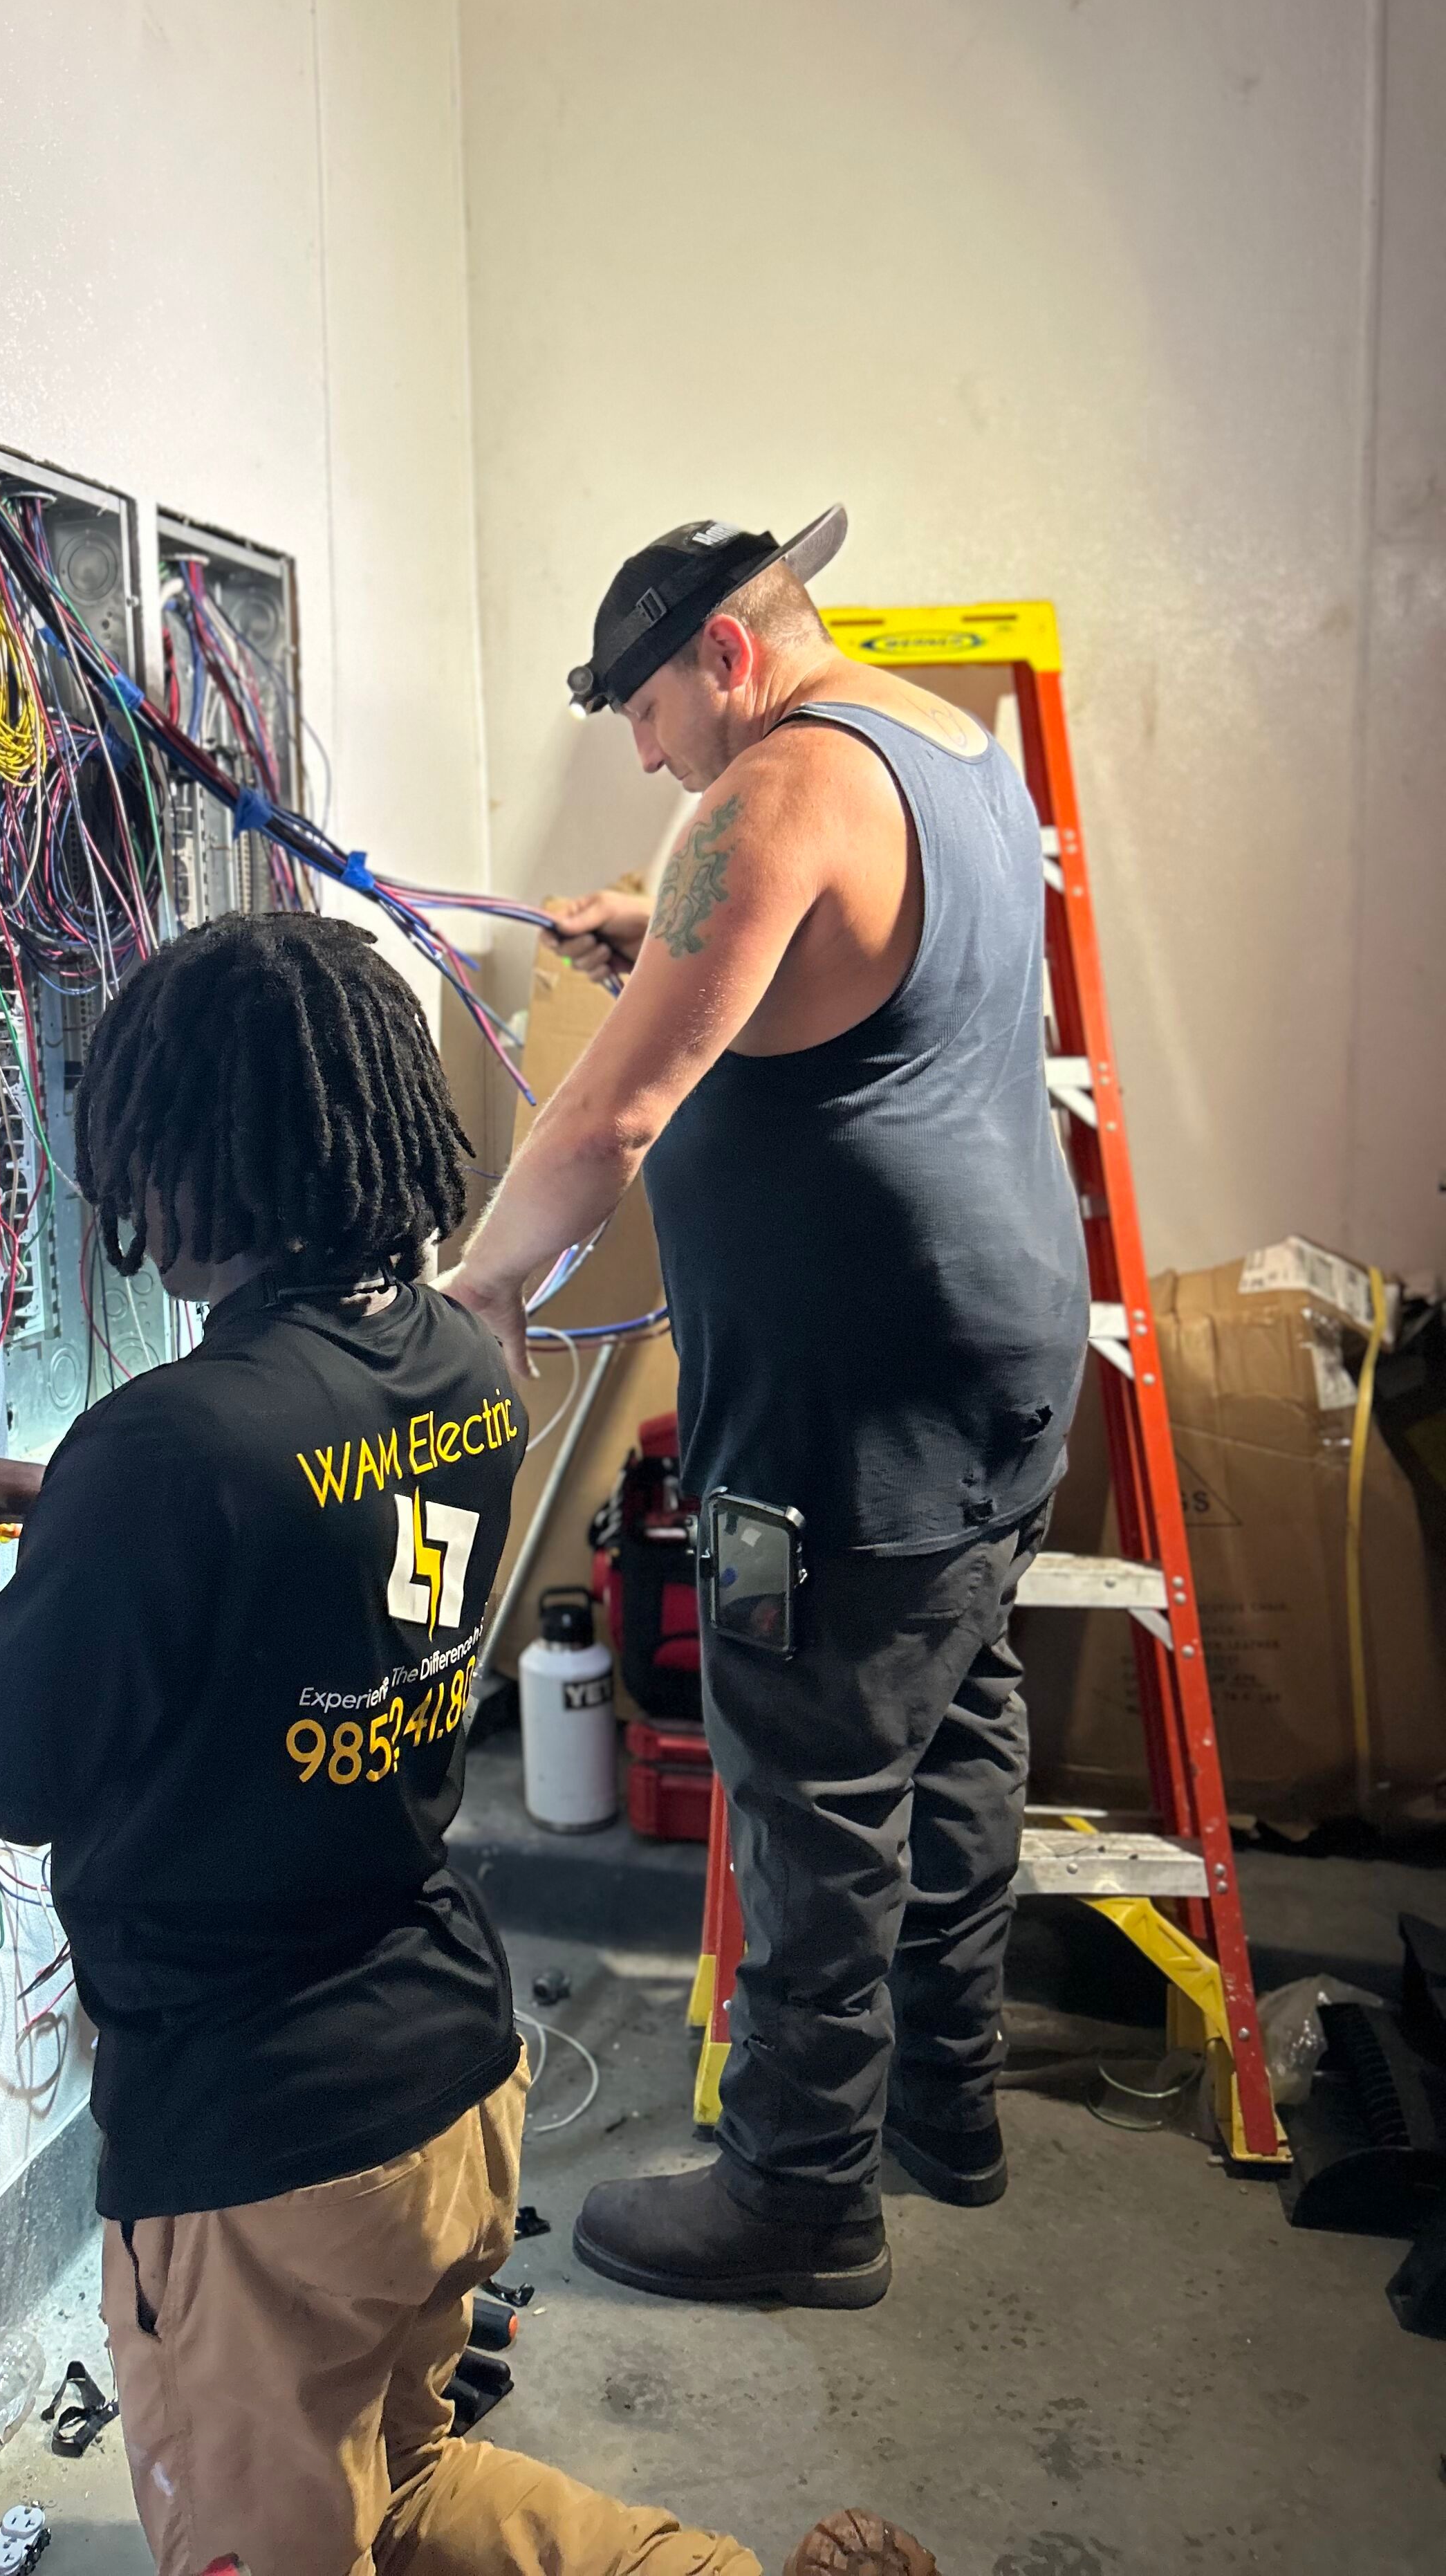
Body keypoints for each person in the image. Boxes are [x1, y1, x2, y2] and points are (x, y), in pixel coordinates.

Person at [0, 913, 923, 2576]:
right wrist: (23, 1494)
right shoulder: (470, 1362)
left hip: (259, 2161)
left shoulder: (166, 1454)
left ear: (185, 1159)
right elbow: (303, 1506)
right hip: (445, 2087)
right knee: (402, 2489)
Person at [445, 512, 1089, 2310]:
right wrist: (660, 932)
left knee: (812, 1777)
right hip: (1002, 1357)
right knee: (956, 1715)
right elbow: (854, 965)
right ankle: (943, 2107)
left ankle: (802, 2195)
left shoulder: (776, 790)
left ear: (726, 655)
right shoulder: (945, 750)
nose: (651, 758)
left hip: (844, 1408)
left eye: (648, 714)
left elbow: (610, 1116)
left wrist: (480, 1289)